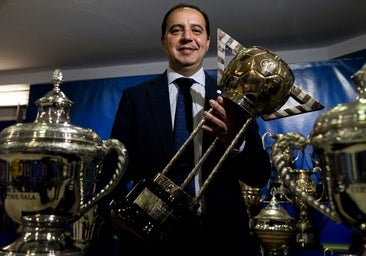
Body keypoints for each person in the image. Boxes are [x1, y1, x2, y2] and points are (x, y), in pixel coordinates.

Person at [87, 3, 271, 255]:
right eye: (176, 30)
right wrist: (115, 215)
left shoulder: (234, 100)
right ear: (164, 42)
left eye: (196, 30)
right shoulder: (136, 98)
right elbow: (115, 168)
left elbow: (259, 175)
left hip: (223, 239)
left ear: (207, 42)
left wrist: (235, 141)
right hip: (148, 239)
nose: (187, 37)